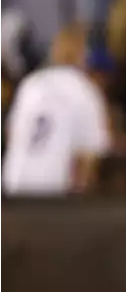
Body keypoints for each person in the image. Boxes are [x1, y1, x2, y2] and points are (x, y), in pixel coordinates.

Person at [2, 26, 110, 196]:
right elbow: (89, 158)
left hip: (13, 184)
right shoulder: (85, 90)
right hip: (53, 193)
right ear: (83, 56)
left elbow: (11, 135)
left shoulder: (31, 83)